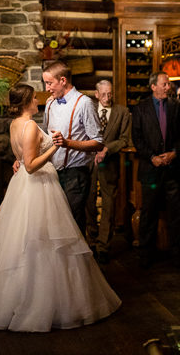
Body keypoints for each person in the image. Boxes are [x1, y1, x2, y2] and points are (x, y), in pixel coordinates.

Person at [0, 84, 121, 332]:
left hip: (24, 186)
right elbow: (31, 165)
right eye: (34, 98)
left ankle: (18, 296)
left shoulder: (14, 124)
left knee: (27, 242)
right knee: (43, 242)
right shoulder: (30, 125)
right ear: (25, 102)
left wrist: (23, 160)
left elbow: (22, 159)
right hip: (37, 186)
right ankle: (40, 302)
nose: (38, 102)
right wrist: (55, 145)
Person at [131, 71, 180, 269]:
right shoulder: (140, 108)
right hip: (151, 169)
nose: (168, 87)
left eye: (168, 84)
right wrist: (152, 157)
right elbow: (137, 138)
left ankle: (178, 256)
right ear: (153, 86)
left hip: (174, 169)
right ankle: (145, 255)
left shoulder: (179, 107)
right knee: (148, 213)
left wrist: (174, 153)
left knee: (177, 214)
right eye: (164, 84)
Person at [40, 60, 104, 233]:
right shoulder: (50, 103)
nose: (47, 89)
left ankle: (79, 260)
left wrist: (68, 143)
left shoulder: (84, 103)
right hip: (52, 173)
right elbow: (45, 138)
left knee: (72, 225)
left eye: (49, 83)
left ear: (63, 80)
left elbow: (98, 142)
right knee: (55, 224)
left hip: (76, 174)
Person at [85, 79, 132, 264]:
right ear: (96, 95)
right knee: (88, 202)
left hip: (109, 164)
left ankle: (104, 246)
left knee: (109, 205)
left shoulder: (122, 112)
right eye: (103, 94)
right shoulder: (88, 109)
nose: (107, 97)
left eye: (110, 93)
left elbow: (125, 139)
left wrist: (107, 149)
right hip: (89, 163)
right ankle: (92, 240)